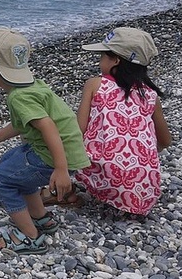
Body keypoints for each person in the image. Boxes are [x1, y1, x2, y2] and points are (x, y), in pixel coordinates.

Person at [0, 27, 91, 254]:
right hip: (59, 151)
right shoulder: (30, 86)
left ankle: (29, 236)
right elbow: (24, 123)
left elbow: (47, 126)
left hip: (55, 157)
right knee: (10, 160)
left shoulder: (19, 96)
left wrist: (61, 169)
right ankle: (41, 219)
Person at [69, 27, 172, 216]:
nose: (100, 61)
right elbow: (165, 141)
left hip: (103, 179)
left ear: (116, 60)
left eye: (102, 56)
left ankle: (81, 189)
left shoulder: (95, 84)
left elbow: (78, 131)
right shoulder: (150, 95)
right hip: (146, 189)